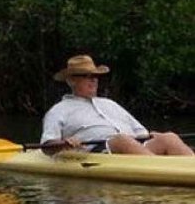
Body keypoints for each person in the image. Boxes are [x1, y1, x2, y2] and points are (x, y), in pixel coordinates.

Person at [40, 55, 192, 155]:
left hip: (133, 148)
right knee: (121, 140)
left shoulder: (110, 103)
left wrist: (153, 135)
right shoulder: (59, 110)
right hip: (98, 152)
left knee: (169, 137)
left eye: (95, 76)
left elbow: (141, 133)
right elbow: (47, 145)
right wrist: (64, 144)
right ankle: (164, 171)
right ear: (71, 80)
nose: (93, 80)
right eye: (86, 76)